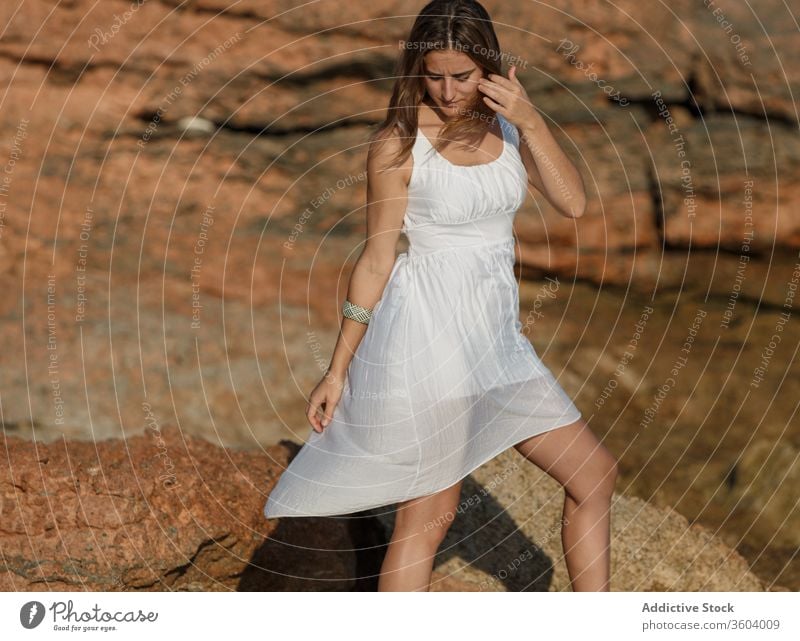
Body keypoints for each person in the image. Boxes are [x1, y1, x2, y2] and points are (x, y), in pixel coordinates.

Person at [264, 0, 618, 592]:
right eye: (434, 75)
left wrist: (532, 121)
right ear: (415, 69)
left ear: (490, 68)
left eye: (462, 75)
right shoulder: (398, 145)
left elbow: (574, 203)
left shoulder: (507, 127)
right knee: (427, 519)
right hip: (429, 344)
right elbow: (376, 260)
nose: (449, 91)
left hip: (498, 343)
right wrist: (337, 370)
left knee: (595, 475)